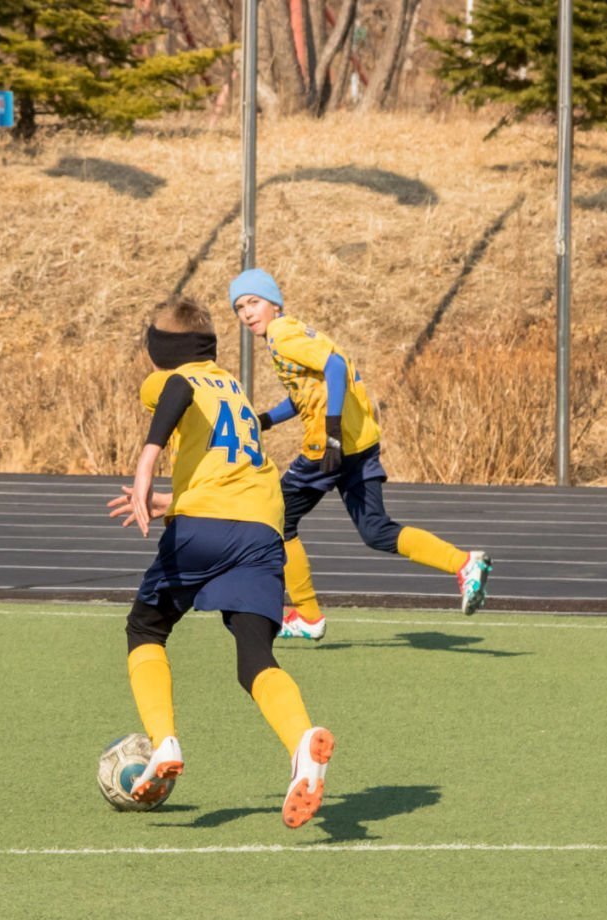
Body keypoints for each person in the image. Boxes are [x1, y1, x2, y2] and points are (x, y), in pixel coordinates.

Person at [106, 295, 335, 829]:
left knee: (146, 628)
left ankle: (164, 741)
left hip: (206, 526)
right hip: (261, 527)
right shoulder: (233, 386)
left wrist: (146, 464)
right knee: (255, 658)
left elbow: (178, 390)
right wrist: (172, 500)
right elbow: (224, 465)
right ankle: (301, 742)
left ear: (161, 349)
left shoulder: (171, 378)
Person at [229, 268, 492, 638]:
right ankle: (464, 563)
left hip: (330, 447)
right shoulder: (297, 330)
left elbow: (335, 367)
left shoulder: (281, 335)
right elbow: (307, 391)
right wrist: (267, 420)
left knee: (276, 519)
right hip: (360, 443)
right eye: (239, 307)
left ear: (274, 303)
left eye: (253, 302)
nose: (247, 313)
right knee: (376, 531)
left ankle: (308, 615)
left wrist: (333, 432)